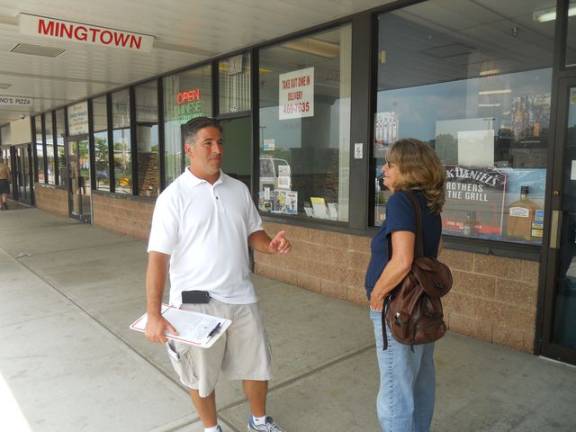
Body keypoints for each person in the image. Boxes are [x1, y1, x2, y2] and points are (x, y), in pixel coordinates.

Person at [145, 117, 291, 432]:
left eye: (220, 142)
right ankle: (212, 428)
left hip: (241, 296)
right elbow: (158, 259)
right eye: (208, 143)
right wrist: (154, 313)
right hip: (195, 303)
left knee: (257, 366)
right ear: (189, 149)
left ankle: (259, 421)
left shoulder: (238, 189)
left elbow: (254, 233)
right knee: (200, 375)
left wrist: (271, 246)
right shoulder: (174, 197)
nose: (217, 150)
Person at [365, 139, 445, 432]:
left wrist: (377, 293)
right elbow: (436, 250)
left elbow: (402, 260)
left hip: (397, 307)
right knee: (421, 380)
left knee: (396, 390)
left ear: (408, 170)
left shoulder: (400, 201)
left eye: (390, 164)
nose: (383, 169)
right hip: (421, 304)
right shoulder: (428, 203)